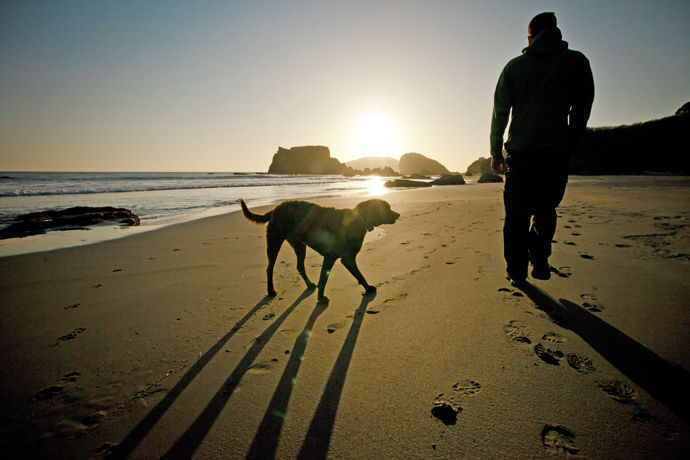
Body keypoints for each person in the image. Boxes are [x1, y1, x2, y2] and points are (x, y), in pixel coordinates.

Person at [490, 12, 594, 285]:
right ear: (556, 33)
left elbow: (500, 113)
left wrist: (495, 152)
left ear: (530, 37)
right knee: (546, 209)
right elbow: (582, 108)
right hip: (556, 153)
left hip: (520, 154)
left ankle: (516, 271)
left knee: (516, 216)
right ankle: (539, 256)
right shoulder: (577, 62)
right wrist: (571, 142)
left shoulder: (514, 67)